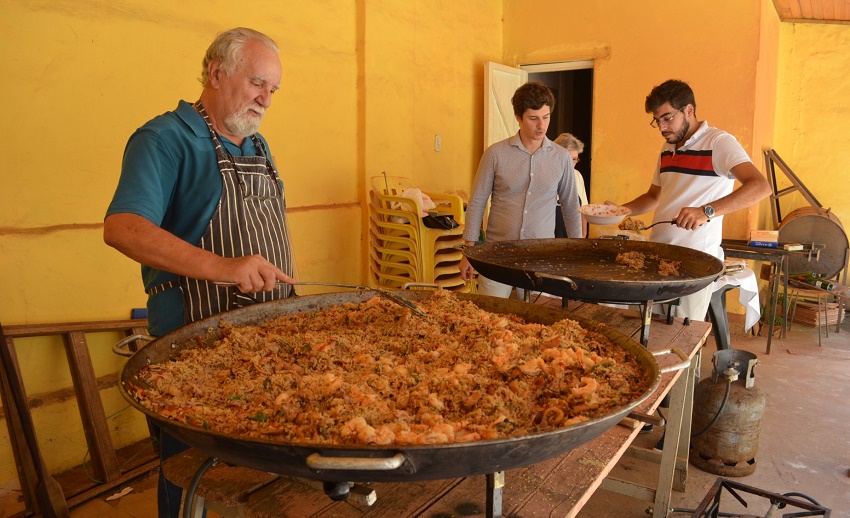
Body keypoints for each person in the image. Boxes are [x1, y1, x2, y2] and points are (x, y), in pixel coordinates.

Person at [103, 27, 296, 517]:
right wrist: (224, 267)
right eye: (257, 83)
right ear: (216, 72)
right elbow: (123, 227)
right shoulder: (164, 139)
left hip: (268, 346)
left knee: (261, 476)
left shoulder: (258, 146)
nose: (266, 99)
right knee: (194, 481)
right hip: (196, 351)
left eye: (273, 89)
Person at [611, 79, 771, 322]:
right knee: (643, 329)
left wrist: (706, 211)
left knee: (682, 334)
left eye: (667, 118)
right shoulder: (668, 148)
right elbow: (654, 196)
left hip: (695, 262)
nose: (662, 127)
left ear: (688, 110)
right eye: (657, 120)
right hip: (657, 254)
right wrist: (622, 210)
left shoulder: (719, 142)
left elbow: (760, 186)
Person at [459, 82, 582, 298]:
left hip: (541, 256)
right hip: (496, 254)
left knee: (536, 322)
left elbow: (571, 206)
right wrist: (469, 250)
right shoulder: (495, 154)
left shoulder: (561, 157)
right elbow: (478, 201)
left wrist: (577, 252)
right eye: (533, 118)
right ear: (518, 117)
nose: (541, 126)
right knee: (491, 319)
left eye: (546, 117)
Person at [553, 133, 589, 237]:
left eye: (574, 159)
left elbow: (583, 210)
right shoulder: (546, 175)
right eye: (567, 159)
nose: (571, 164)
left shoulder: (577, 176)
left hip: (570, 237)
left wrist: (582, 236)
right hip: (548, 237)